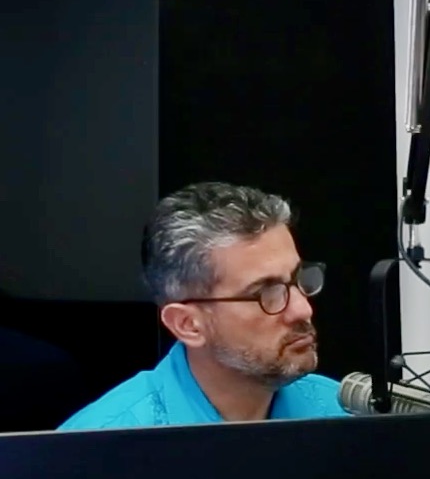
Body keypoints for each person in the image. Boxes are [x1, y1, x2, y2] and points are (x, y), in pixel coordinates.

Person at [58, 182, 346, 430]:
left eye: (297, 278)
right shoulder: (97, 448)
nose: (303, 309)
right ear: (187, 325)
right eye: (266, 293)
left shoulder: (343, 414)